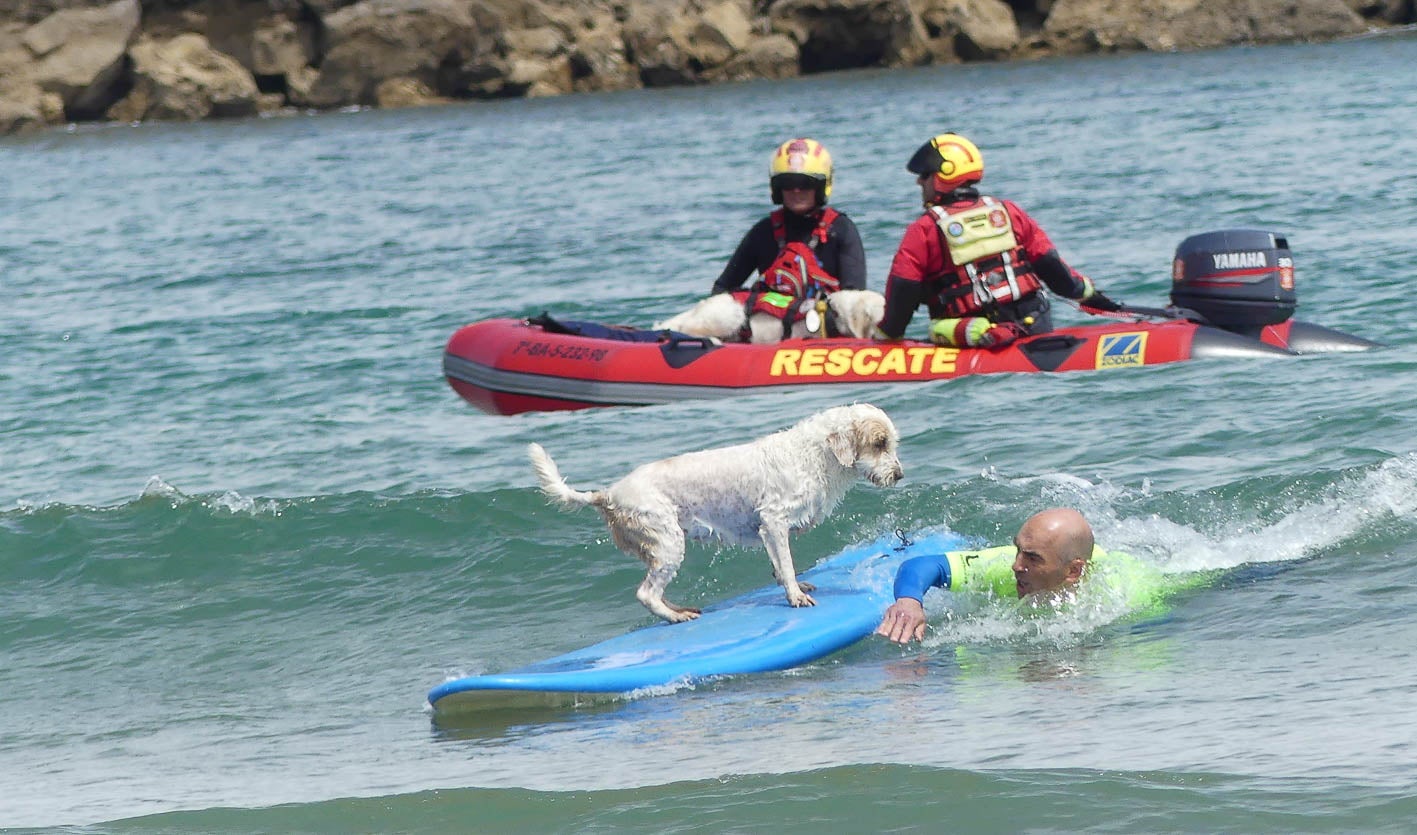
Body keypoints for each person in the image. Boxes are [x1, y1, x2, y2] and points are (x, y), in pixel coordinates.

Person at [873, 132, 1124, 348]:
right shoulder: (1007, 211)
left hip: (977, 335)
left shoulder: (924, 229)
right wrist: (1092, 298)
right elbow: (1051, 266)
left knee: (937, 328)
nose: (919, 181)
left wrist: (887, 336)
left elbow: (903, 291)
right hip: (1035, 323)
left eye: (925, 175)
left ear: (943, 176)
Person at [710, 138, 868, 338]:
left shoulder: (842, 229)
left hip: (826, 338)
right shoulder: (763, 232)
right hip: (771, 342)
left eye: (805, 184)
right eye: (787, 184)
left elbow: (853, 298)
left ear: (821, 186)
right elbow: (722, 289)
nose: (796, 191)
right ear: (777, 188)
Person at [875, 508, 1100, 645]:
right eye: (1018, 549)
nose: (1016, 565)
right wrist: (909, 601)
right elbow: (922, 565)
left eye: (1033, 558)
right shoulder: (1000, 565)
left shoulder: (1122, 590)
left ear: (1073, 571)